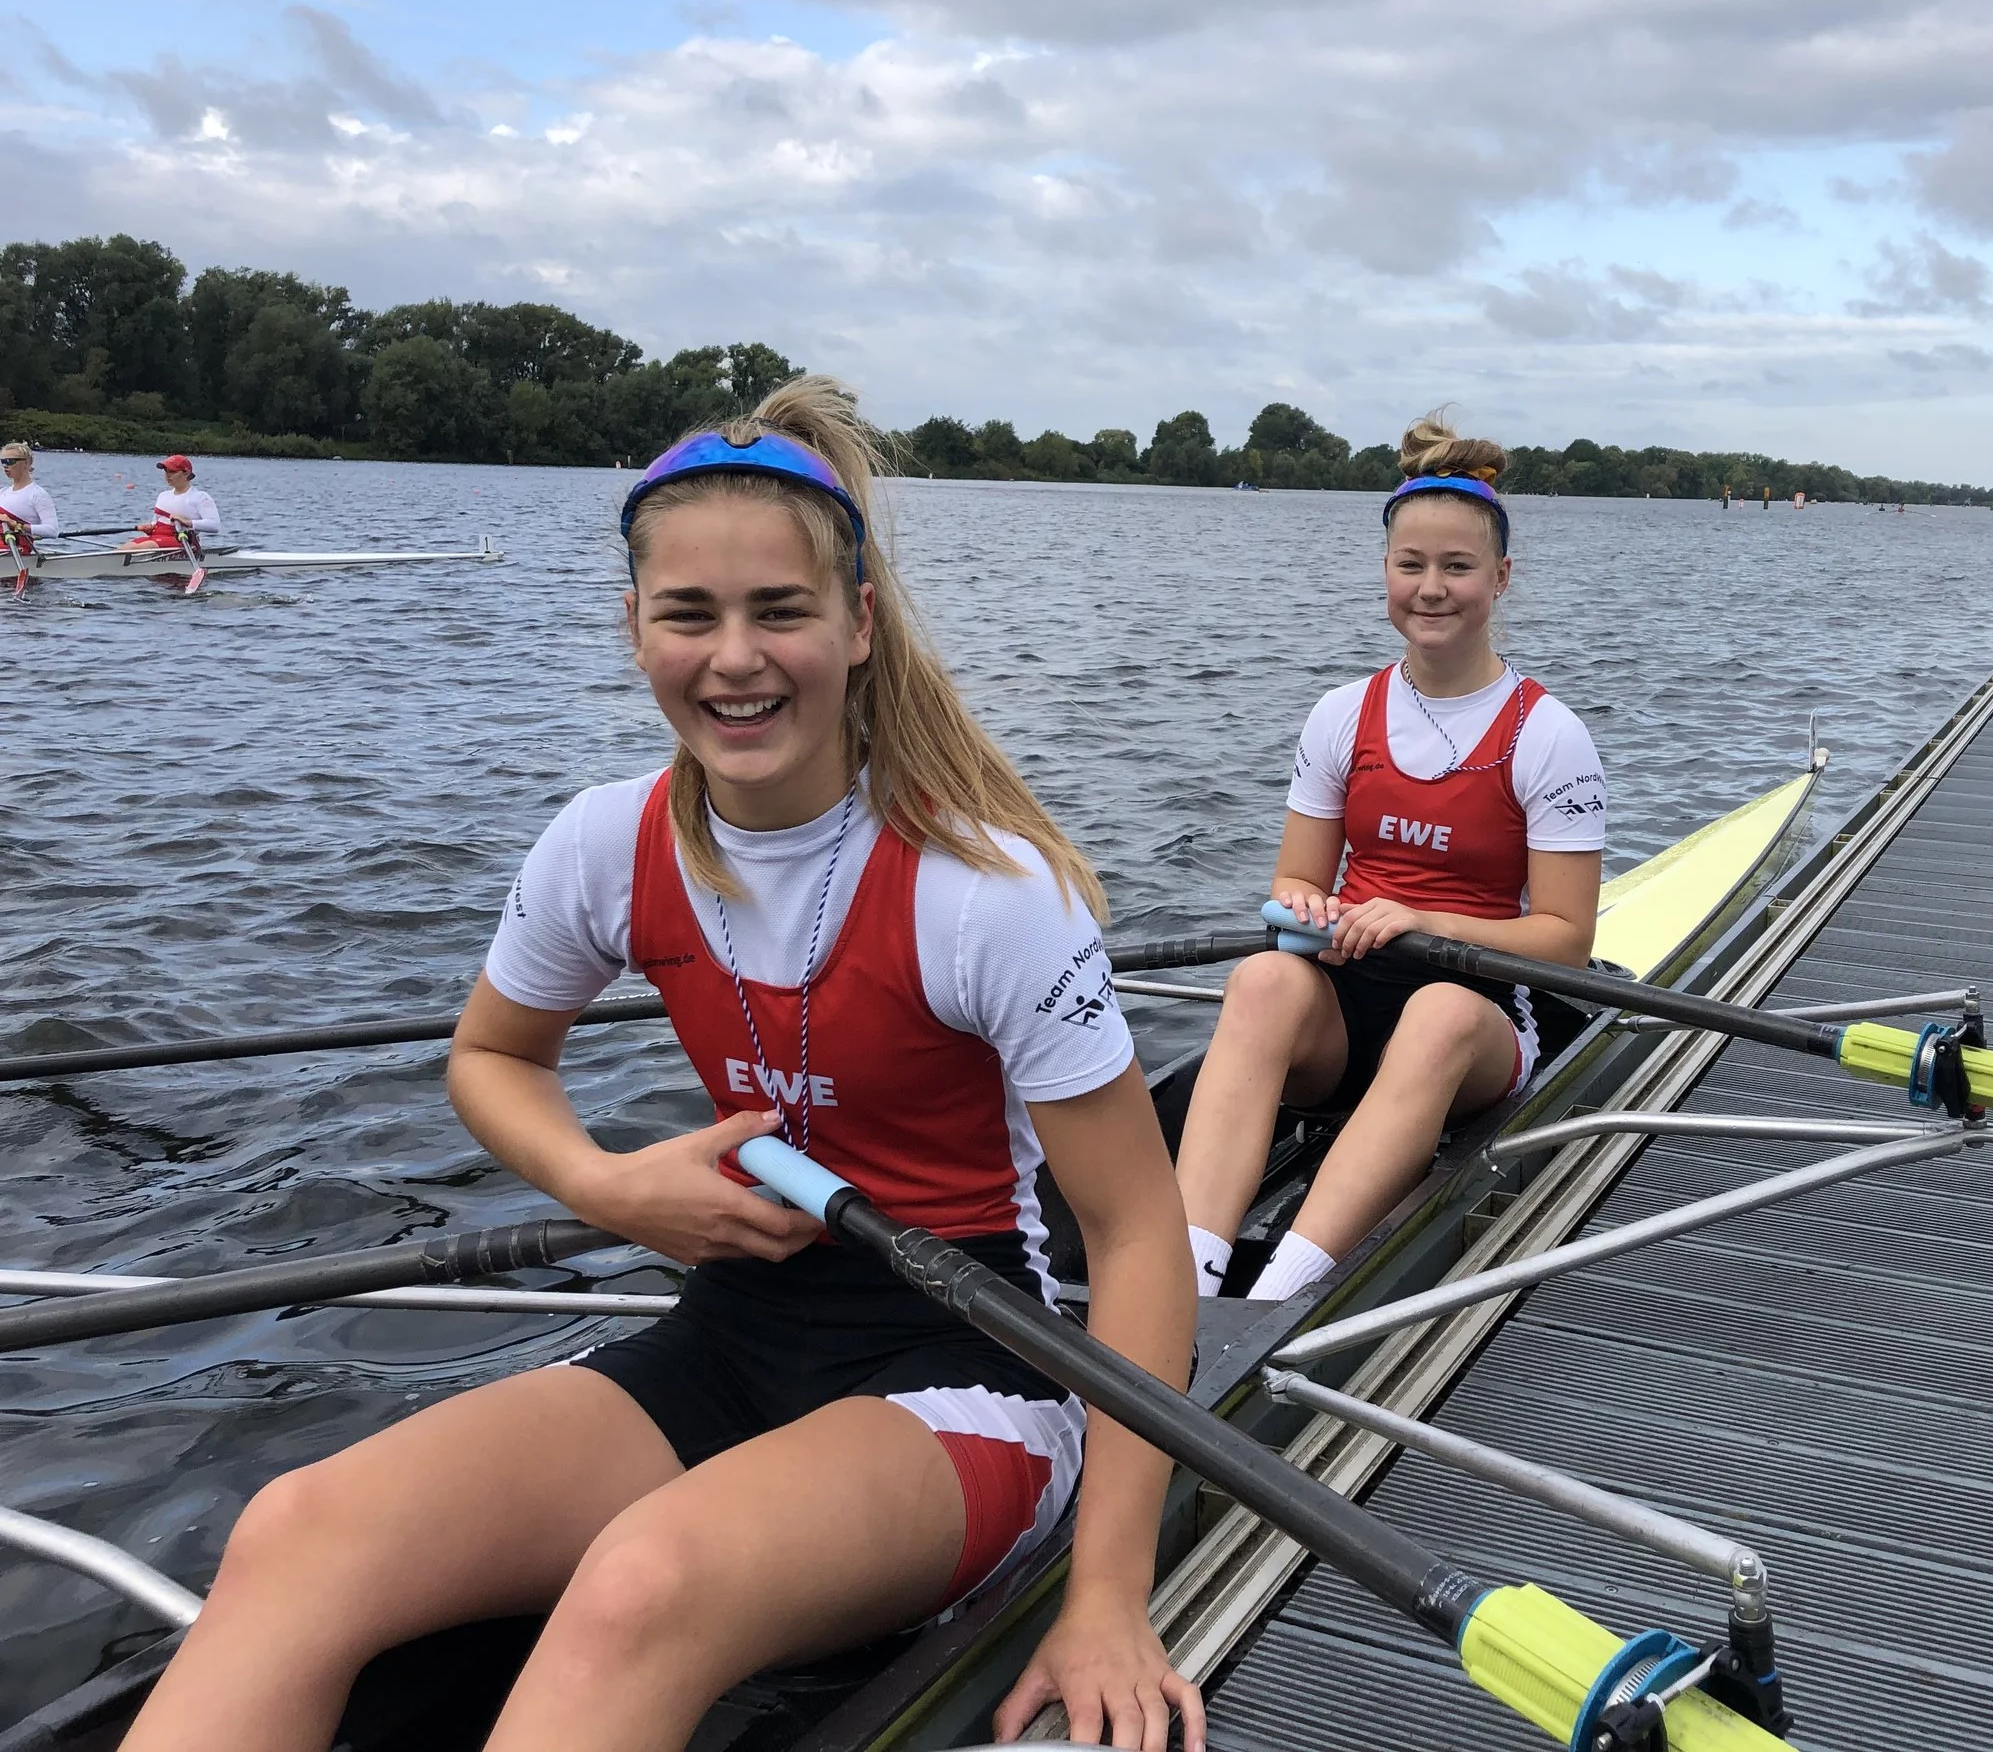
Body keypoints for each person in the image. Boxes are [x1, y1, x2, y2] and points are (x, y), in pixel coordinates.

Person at [121, 378, 1203, 1752]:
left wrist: (1108, 1593)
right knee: (297, 1527)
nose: (735, 658)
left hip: (977, 1363)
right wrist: (604, 1185)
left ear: (860, 625)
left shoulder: (984, 890)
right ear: (633, 625)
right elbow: (493, 1056)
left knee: (639, 1584)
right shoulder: (602, 843)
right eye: (690, 613)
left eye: (779, 610)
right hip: (733, 1331)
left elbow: (1140, 1235)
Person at [1171, 415, 1604, 1303]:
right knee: (1261, 980)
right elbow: (1294, 881)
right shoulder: (1341, 714)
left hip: (1478, 1017)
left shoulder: (1549, 735)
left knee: (1437, 1013)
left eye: (1458, 567)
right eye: (1411, 565)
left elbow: (1566, 941)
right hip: (1346, 1003)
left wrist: (1420, 919)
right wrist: (1311, 909)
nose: (1431, 588)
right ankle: (1186, 1279)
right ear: (1386, 573)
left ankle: (1275, 1301)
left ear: (1501, 578)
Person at [119, 453, 223, 549]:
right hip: (157, 536)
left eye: (172, 471)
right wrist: (149, 527)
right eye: (166, 471)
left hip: (182, 539)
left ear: (186, 473)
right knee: (124, 548)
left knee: (137, 548)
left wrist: (187, 522)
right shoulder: (163, 495)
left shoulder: (200, 497)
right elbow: (155, 522)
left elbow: (214, 525)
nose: (168, 475)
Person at [0, 442, 60, 545]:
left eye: (10, 461)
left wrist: (17, 525)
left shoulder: (38, 495)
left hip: (17, 550)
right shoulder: (2, 492)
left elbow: (52, 530)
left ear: (26, 463)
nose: (5, 466)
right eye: (3, 461)